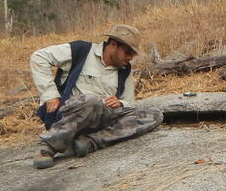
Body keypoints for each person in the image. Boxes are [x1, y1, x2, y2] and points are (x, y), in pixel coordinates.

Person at [29, 24, 164, 169]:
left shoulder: (125, 70)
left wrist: (120, 103)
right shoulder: (80, 50)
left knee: (154, 114)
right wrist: (50, 95)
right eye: (127, 52)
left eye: (132, 54)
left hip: (101, 119)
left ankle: (89, 142)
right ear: (113, 44)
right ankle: (47, 146)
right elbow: (38, 57)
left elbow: (129, 103)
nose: (130, 58)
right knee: (91, 101)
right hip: (71, 115)